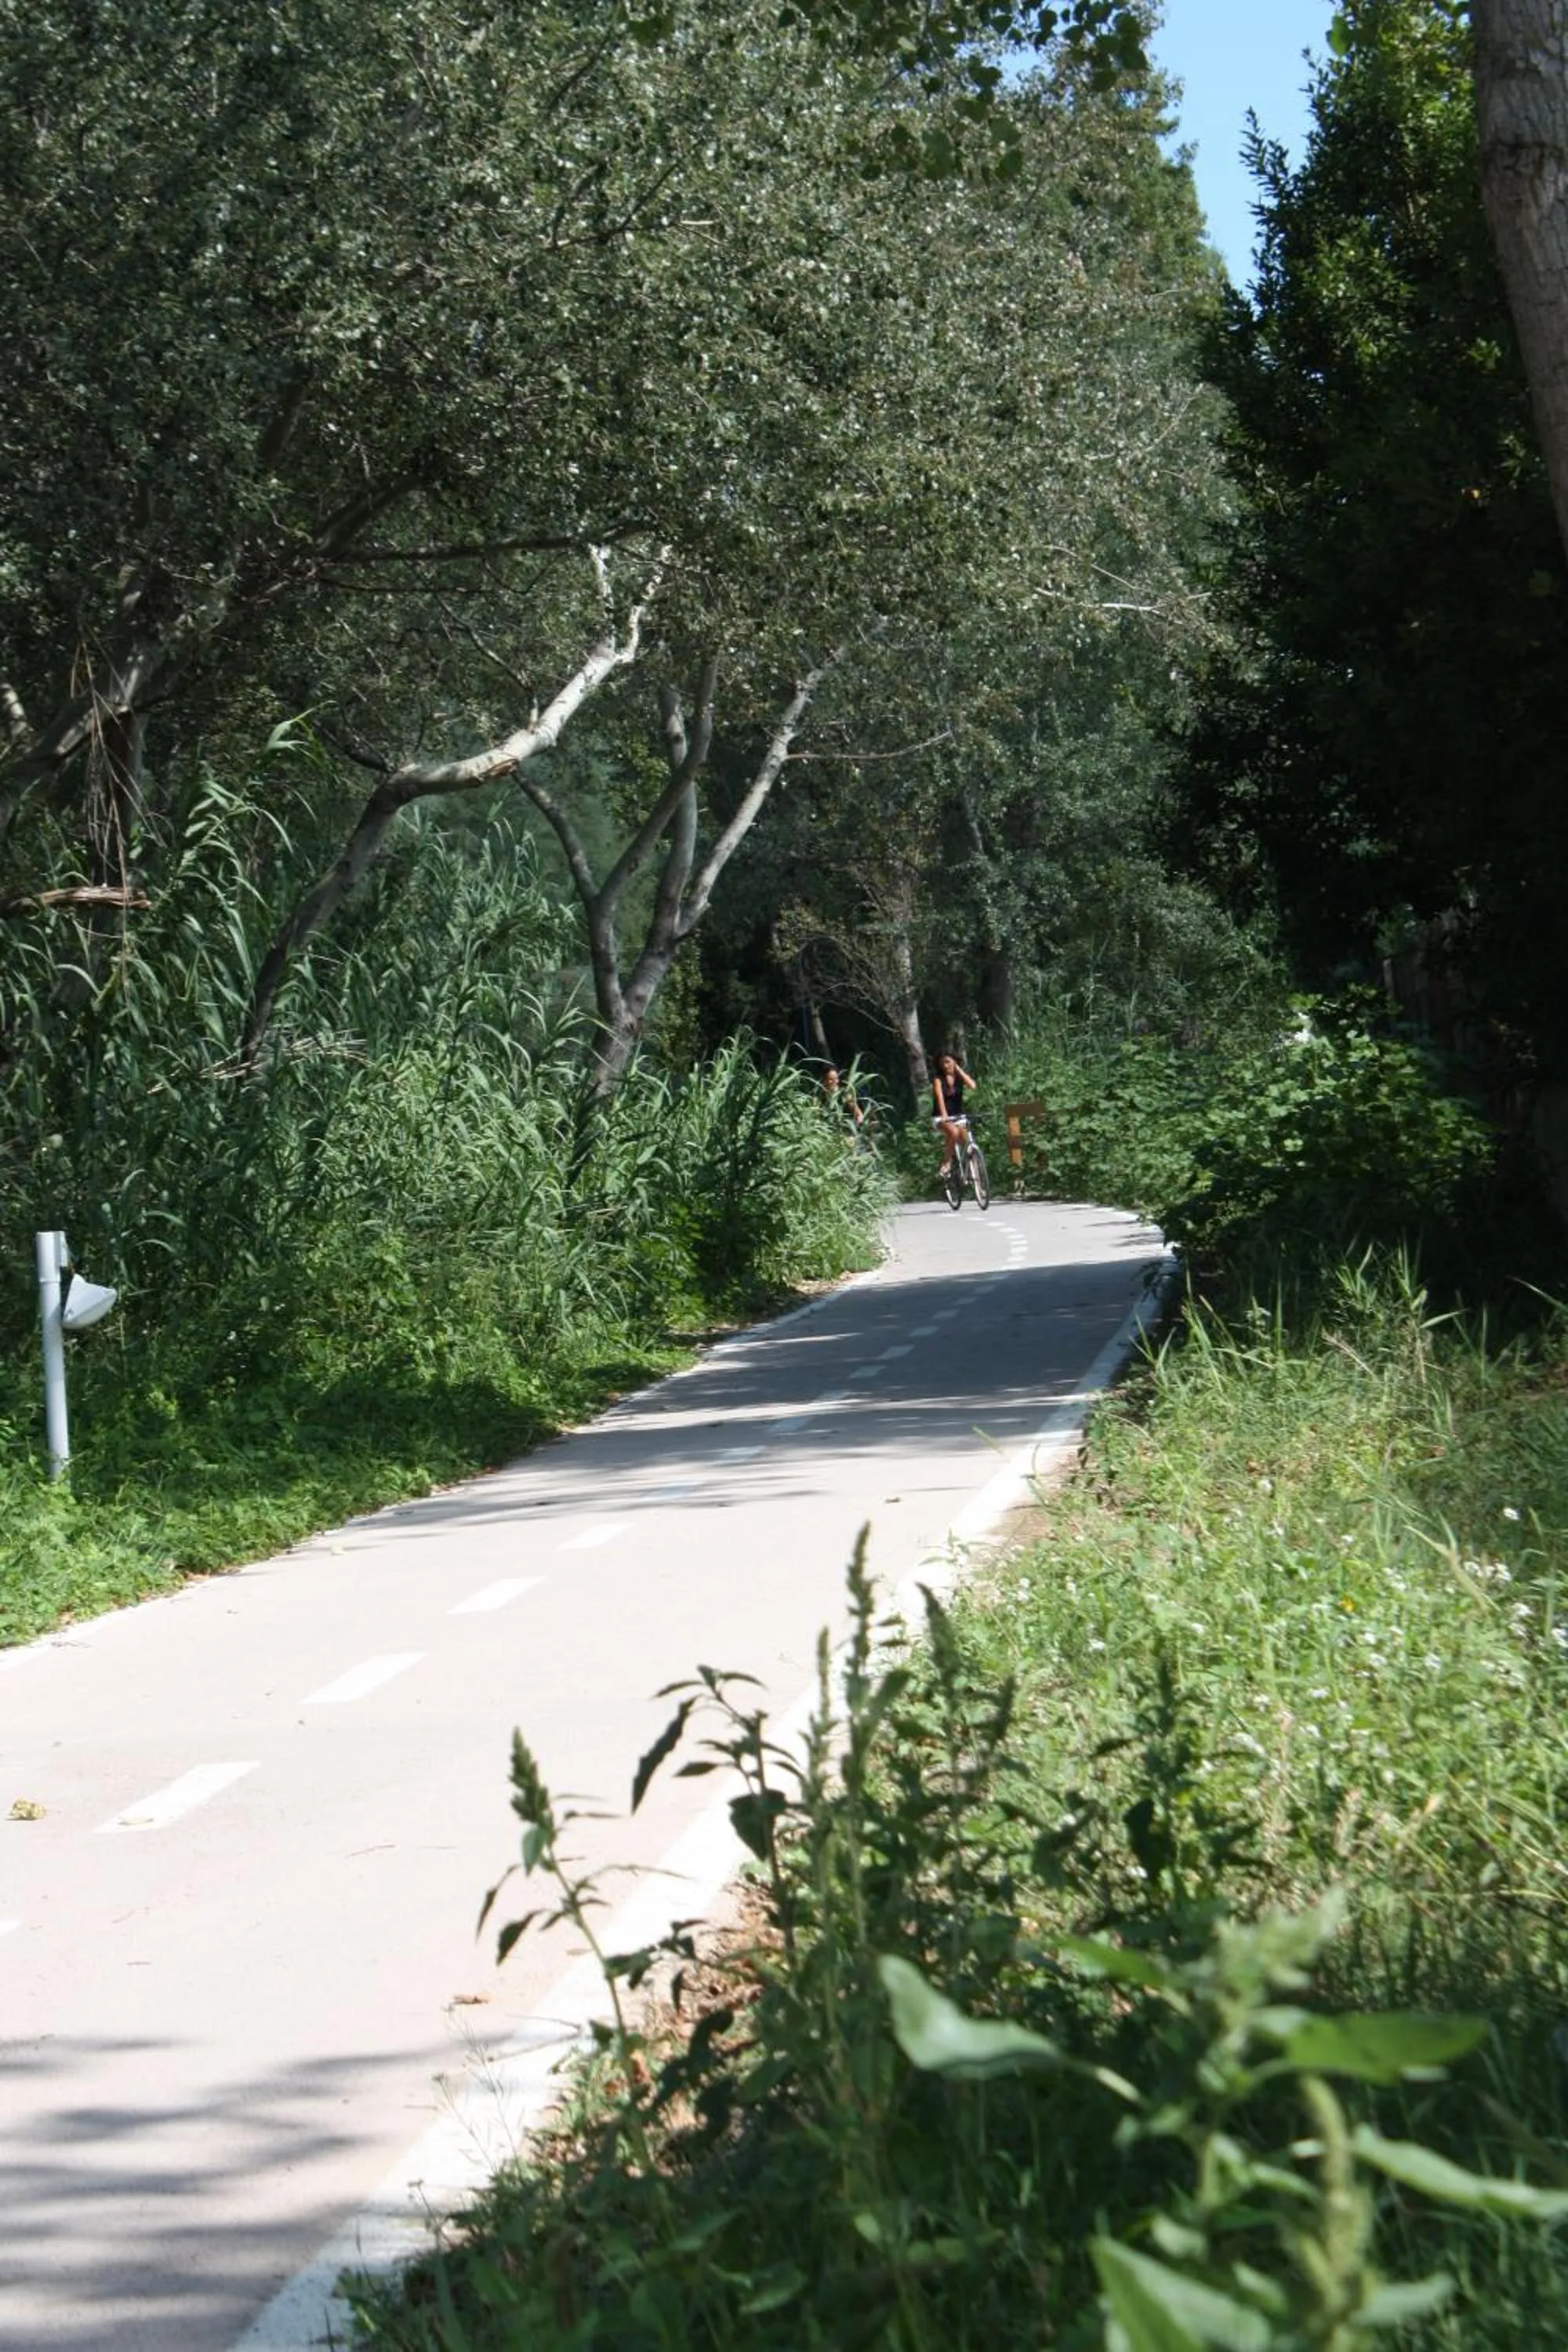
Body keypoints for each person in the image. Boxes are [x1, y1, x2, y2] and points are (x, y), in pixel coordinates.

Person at [931, 1050, 975, 1178]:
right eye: (942, 1063)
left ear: (954, 1062)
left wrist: (958, 1070)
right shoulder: (938, 1079)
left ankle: (979, 1183)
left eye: (948, 1062)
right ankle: (947, 1162)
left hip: (958, 1116)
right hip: (940, 1117)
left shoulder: (959, 1077)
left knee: (968, 1145)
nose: (945, 1066)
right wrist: (944, 1116)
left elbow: (973, 1086)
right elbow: (940, 1098)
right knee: (954, 1132)